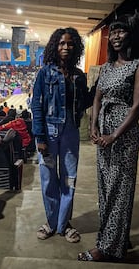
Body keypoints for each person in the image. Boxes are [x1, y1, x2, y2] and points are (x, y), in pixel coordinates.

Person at [78, 14, 139, 262]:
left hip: (124, 136)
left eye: (121, 31)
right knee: (107, 189)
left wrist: (114, 135)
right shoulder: (107, 67)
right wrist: (95, 124)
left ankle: (107, 248)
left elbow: (138, 106)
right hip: (104, 136)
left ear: (132, 35)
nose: (116, 36)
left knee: (120, 190)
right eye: (114, 32)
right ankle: (118, 236)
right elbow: (97, 97)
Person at [31, 27, 94, 243]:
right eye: (61, 43)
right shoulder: (44, 73)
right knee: (48, 179)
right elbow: (36, 106)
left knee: (69, 178)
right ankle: (51, 221)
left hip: (70, 132)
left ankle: (64, 223)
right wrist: (39, 137)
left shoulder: (78, 75)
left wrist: (96, 91)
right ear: (54, 47)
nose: (65, 47)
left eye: (69, 44)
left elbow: (84, 102)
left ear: (75, 47)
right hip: (48, 131)